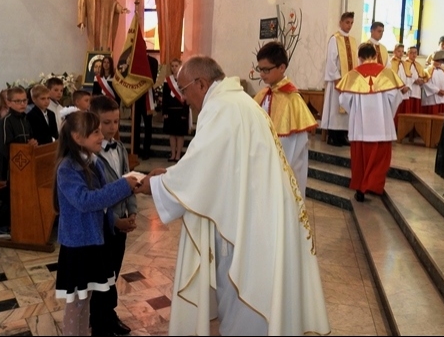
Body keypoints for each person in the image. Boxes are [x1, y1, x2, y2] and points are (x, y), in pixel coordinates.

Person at [134, 56, 330, 336]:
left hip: (251, 222)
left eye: (184, 89)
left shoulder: (222, 108)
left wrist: (155, 185)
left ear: (201, 84)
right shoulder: (237, 102)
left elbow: (202, 168)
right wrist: (170, 174)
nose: (184, 98)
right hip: (258, 211)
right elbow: (215, 163)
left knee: (246, 296)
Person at [53, 109, 139, 336]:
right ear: (77, 137)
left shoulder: (93, 162)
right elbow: (85, 201)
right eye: (95, 132)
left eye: (100, 131)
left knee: (87, 300)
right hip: (78, 245)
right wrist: (123, 186)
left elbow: (103, 206)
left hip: (95, 241)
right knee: (76, 303)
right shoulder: (67, 168)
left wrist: (114, 222)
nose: (102, 136)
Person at [90, 96, 136, 336]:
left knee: (114, 271)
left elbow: (129, 178)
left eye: (116, 122)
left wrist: (132, 211)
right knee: (102, 275)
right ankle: (100, 320)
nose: (112, 127)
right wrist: (114, 220)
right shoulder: (91, 156)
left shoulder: (119, 148)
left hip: (121, 221)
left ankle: (108, 313)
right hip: (103, 226)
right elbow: (97, 196)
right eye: (106, 122)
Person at [337, 43, 404, 202]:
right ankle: (373, 185)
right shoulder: (387, 74)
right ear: (375, 56)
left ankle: (361, 189)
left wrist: (355, 113)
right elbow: (396, 98)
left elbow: (344, 100)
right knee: (380, 159)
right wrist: (387, 115)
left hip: (360, 128)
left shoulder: (352, 75)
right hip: (381, 127)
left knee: (360, 159)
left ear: (359, 58)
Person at [253, 41, 317, 201]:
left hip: (283, 169)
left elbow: (293, 146)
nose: (262, 74)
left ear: (282, 67)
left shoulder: (292, 100)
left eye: (266, 70)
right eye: (260, 69)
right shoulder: (262, 95)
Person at [0, 87, 37, 239]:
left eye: (24, 100)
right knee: (12, 197)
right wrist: (24, 150)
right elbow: (4, 147)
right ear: (8, 102)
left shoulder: (25, 119)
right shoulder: (6, 122)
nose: (22, 104)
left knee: (18, 195)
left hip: (22, 166)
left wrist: (32, 143)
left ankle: (0, 221)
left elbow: (29, 139)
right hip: (8, 168)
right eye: (17, 101)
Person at [321, 11, 358, 146]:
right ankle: (333, 136)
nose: (349, 25)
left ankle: (343, 135)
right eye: (347, 22)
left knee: (346, 109)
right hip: (337, 81)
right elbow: (331, 61)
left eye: (351, 23)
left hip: (349, 83)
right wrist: (337, 79)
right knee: (335, 108)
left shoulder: (353, 41)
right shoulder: (335, 39)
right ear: (340, 23)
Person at [162, 58, 189, 162]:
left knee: (180, 134)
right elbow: (165, 97)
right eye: (172, 66)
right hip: (170, 110)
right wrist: (165, 111)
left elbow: (187, 96)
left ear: (180, 66)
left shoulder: (184, 79)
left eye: (176, 66)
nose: (174, 68)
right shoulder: (167, 80)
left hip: (181, 110)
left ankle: (178, 155)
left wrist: (185, 112)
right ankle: (173, 154)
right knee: (172, 134)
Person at [132, 54, 159, 159]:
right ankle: (135, 149)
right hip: (136, 96)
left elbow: (153, 78)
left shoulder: (153, 61)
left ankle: (146, 150)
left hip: (147, 95)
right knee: (135, 124)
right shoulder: (133, 60)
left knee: (148, 125)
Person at [402, 46, 427, 114]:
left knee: (415, 113)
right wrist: (414, 80)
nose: (414, 54)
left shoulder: (418, 65)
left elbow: (423, 77)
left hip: (416, 91)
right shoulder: (403, 64)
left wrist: (422, 81)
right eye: (411, 53)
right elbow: (403, 76)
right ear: (407, 54)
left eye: (415, 53)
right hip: (407, 92)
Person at [390, 43, 410, 127]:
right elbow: (391, 77)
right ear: (394, 51)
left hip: (405, 91)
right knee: (394, 111)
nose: (401, 53)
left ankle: (402, 130)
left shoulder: (404, 63)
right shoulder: (390, 63)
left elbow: (409, 76)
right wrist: (400, 87)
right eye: (399, 51)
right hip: (396, 90)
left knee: (403, 113)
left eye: (402, 51)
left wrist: (407, 86)